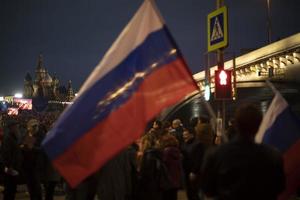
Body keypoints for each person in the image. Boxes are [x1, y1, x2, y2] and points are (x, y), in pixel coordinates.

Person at [201, 103, 285, 200]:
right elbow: (279, 187)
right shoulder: (273, 156)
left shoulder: (215, 154)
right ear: (259, 125)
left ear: (236, 124)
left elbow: (208, 189)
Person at [1, 120, 23, 200]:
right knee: (9, 189)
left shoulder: (13, 137)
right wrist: (9, 166)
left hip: (13, 167)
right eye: (15, 126)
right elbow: (6, 153)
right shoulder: (8, 138)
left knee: (12, 189)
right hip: (11, 167)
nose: (17, 128)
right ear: (11, 127)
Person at [182, 127, 205, 200]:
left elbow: (199, 159)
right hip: (186, 171)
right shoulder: (184, 144)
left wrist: (194, 171)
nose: (184, 136)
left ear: (192, 135)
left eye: (186, 135)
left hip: (194, 172)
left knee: (195, 192)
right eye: (184, 135)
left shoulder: (198, 144)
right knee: (189, 192)